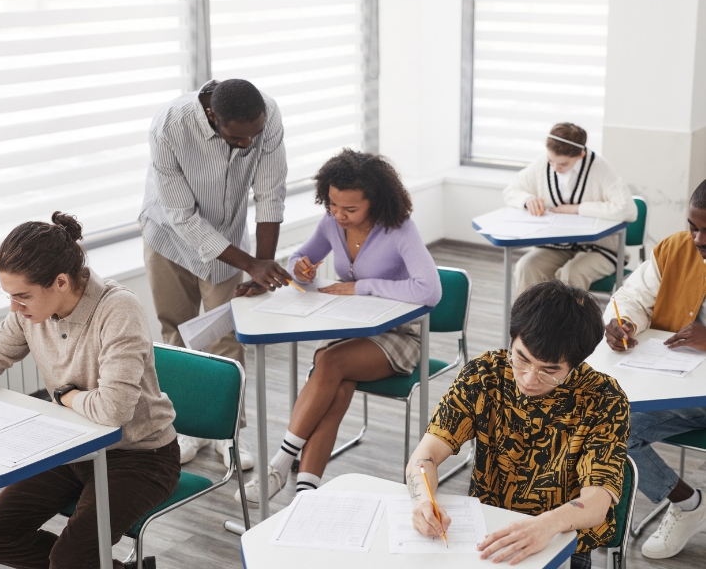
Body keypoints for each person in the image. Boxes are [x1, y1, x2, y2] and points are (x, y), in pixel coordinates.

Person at [235, 149, 442, 506]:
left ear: (375, 202)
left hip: (400, 335)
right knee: (338, 385)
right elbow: (300, 256)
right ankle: (305, 494)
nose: (339, 215)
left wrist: (361, 286)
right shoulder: (331, 224)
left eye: (350, 209)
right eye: (332, 204)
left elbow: (430, 290)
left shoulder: (399, 229)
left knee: (328, 363)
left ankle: (278, 467)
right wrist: (301, 267)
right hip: (356, 330)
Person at [0, 213, 179, 569]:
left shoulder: (118, 310)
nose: (14, 307)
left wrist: (65, 397)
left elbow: (114, 410)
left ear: (60, 282)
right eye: (9, 296)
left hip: (139, 456)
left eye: (22, 296)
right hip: (70, 447)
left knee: (70, 559)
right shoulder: (28, 314)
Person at [408, 280, 629, 569]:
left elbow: (597, 501)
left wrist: (545, 526)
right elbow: (425, 457)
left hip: (561, 539)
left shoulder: (603, 399)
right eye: (521, 359)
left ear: (576, 364)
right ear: (512, 339)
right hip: (487, 530)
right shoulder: (484, 375)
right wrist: (423, 500)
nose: (528, 378)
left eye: (549, 371)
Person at [140, 78, 294, 469]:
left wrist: (261, 265)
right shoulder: (170, 126)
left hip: (228, 240)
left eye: (252, 136)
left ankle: (228, 433)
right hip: (168, 236)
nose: (247, 145)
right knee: (176, 332)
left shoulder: (266, 116)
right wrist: (251, 265)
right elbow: (181, 216)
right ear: (212, 116)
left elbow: (270, 194)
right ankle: (187, 427)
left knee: (226, 335)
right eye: (237, 139)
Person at [603, 179, 706, 559]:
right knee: (612, 424)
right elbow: (631, 297)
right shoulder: (675, 249)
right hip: (678, 388)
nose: (697, 239)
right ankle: (689, 504)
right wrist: (625, 322)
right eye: (693, 227)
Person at [503, 122, 637, 296]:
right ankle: (530, 323)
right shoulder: (543, 163)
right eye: (551, 160)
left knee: (570, 276)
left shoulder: (600, 168)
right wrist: (527, 199)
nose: (555, 168)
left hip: (601, 249)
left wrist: (577, 209)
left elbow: (628, 210)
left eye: (563, 164)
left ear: (581, 154)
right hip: (557, 246)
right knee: (526, 266)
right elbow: (511, 191)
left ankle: (566, 324)